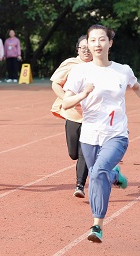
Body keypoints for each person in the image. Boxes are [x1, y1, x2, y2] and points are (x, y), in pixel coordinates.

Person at [62, 24, 140, 243]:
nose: (97, 44)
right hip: (90, 135)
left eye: (102, 39)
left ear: (110, 43)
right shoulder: (80, 71)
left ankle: (97, 225)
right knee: (99, 175)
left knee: (98, 172)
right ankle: (115, 176)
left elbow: (137, 87)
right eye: (92, 40)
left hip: (116, 134)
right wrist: (83, 94)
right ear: (87, 44)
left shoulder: (122, 70)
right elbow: (66, 103)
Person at [50, 35, 93, 198]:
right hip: (73, 114)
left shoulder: (99, 66)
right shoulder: (71, 64)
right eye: (83, 48)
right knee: (73, 153)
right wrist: (67, 100)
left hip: (91, 116)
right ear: (78, 49)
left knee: (84, 151)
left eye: (89, 48)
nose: (86, 51)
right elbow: (55, 83)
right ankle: (109, 170)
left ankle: (79, 185)